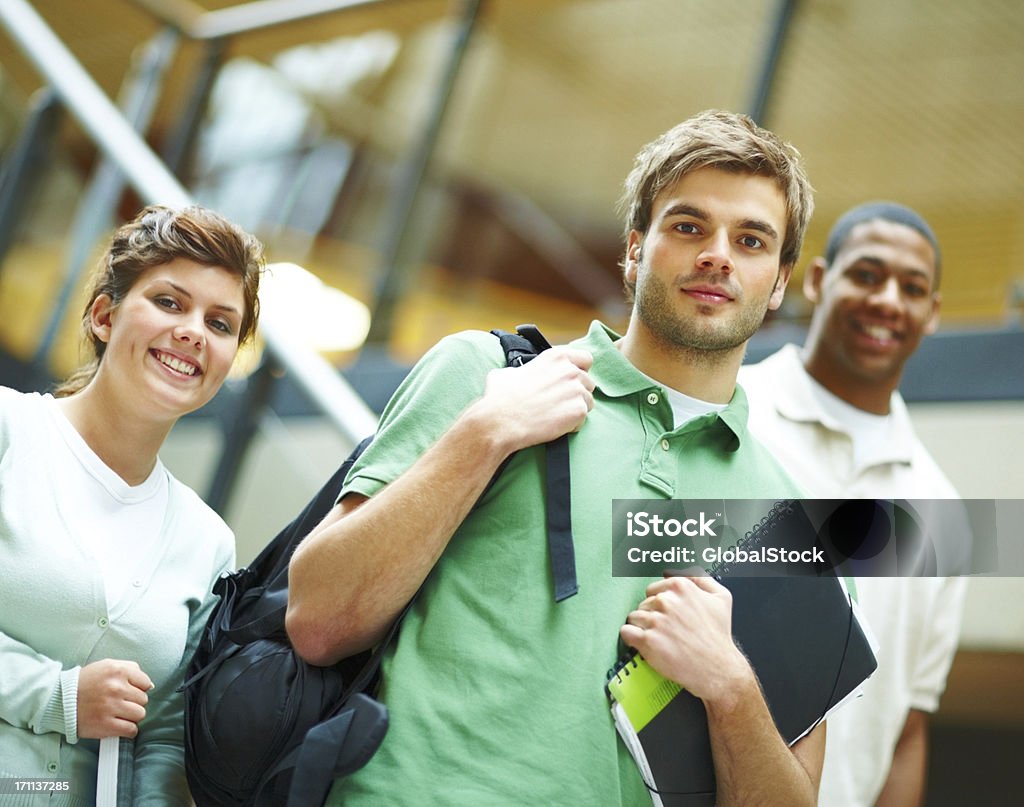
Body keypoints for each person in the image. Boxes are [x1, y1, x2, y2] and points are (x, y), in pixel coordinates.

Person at [286, 109, 830, 805]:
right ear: (635, 249)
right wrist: (482, 434)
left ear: (781, 281)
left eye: (751, 239)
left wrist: (730, 685)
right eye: (689, 226)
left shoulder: (787, 521)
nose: (718, 254)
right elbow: (318, 619)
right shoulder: (485, 374)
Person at [0, 205, 263, 802]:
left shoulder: (207, 542)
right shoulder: (9, 430)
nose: (194, 331)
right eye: (170, 302)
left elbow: (165, 738)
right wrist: (56, 698)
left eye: (221, 324)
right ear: (103, 316)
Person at [738, 201, 968, 806]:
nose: (888, 300)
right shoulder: (733, 413)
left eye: (912, 288)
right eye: (866, 275)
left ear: (932, 313)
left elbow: (908, 728)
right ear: (817, 281)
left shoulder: (939, 510)